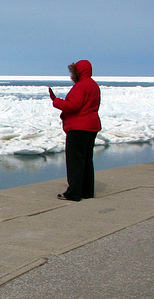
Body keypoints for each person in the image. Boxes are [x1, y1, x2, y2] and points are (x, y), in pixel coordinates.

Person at [48, 60, 101, 202]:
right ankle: (87, 191)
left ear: (78, 72)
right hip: (91, 126)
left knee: (75, 161)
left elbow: (73, 106)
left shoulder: (81, 86)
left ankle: (74, 193)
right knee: (86, 160)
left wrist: (56, 101)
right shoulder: (93, 85)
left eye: (73, 72)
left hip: (79, 127)